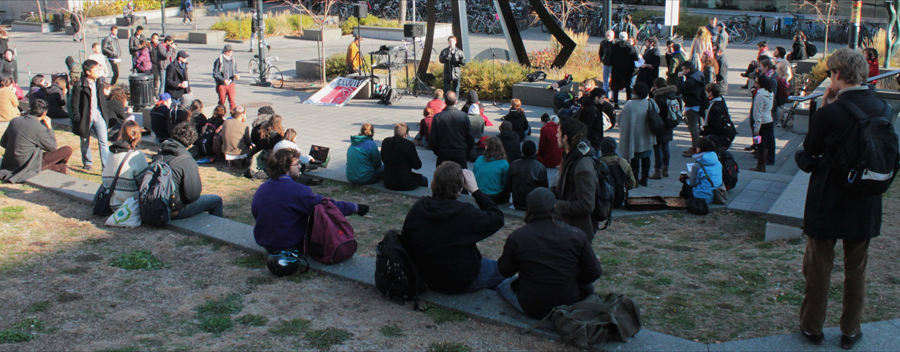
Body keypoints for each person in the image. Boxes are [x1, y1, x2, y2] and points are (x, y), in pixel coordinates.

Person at [795, 48, 881, 350]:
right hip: (866, 198)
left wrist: (822, 107)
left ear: (837, 75)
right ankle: (850, 330)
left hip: (828, 197)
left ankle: (812, 327)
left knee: (819, 268)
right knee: (856, 271)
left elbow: (812, 147)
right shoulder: (883, 108)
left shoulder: (830, 112)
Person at [400, 161, 505, 294]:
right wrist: (475, 191)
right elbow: (497, 218)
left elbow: (406, 242)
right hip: (460, 280)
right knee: (504, 271)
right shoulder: (465, 213)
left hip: (427, 275)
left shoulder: (419, 208)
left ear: (434, 183)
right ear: (460, 188)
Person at [496, 187, 602, 318]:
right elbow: (594, 271)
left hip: (532, 306)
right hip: (569, 302)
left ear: (529, 209)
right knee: (588, 288)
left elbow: (504, 270)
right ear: (555, 206)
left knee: (504, 285)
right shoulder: (576, 235)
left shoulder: (517, 237)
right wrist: (573, 280)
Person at [253, 148, 368, 254]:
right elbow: (326, 206)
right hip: (287, 244)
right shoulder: (297, 190)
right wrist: (354, 207)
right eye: (297, 164)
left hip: (264, 241)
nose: (300, 167)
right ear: (286, 167)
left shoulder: (262, 188)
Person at [160, 122, 224, 219]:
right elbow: (193, 195)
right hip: (173, 209)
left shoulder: (160, 153)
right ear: (191, 142)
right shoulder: (187, 160)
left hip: (157, 203)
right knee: (216, 200)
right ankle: (215, 228)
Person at [0, 99, 73, 183]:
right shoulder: (39, 128)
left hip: (10, 161)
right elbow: (52, 147)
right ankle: (60, 167)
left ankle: (59, 167)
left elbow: (3, 142)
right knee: (67, 150)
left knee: (55, 164)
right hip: (28, 163)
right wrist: (49, 127)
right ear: (44, 113)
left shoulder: (15, 120)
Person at [552, 117, 598, 240]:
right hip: (568, 228)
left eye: (558, 133)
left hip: (577, 233)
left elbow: (586, 205)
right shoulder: (570, 157)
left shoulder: (582, 167)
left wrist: (556, 205)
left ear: (565, 137)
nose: (556, 135)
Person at [71, 60, 111, 171]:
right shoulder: (79, 85)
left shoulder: (99, 82)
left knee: (103, 141)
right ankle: (87, 162)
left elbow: (101, 100)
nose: (99, 71)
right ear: (88, 72)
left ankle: (106, 166)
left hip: (98, 116)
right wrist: (77, 118)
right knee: (85, 141)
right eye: (96, 69)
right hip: (85, 117)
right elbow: (75, 104)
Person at [101, 120, 149, 208]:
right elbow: (144, 184)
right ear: (138, 135)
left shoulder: (111, 153)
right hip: (131, 206)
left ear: (121, 133)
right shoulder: (138, 156)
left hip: (111, 202)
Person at [617, 82, 657, 187]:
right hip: (647, 136)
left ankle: (634, 181)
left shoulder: (630, 105)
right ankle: (645, 179)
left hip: (634, 138)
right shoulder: (650, 102)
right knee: (646, 158)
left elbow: (621, 119)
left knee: (634, 159)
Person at [429, 91, 472, 169]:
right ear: (456, 101)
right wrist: (466, 151)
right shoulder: (463, 116)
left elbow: (432, 138)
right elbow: (469, 136)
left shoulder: (437, 117)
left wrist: (437, 151)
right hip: (460, 153)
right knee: (460, 178)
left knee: (442, 178)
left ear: (445, 101)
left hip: (443, 153)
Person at [381, 123, 427, 191]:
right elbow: (417, 165)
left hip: (388, 181)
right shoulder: (408, 145)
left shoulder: (386, 141)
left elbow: (383, 158)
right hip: (404, 182)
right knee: (424, 179)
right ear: (405, 134)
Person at [678, 137, 722, 204]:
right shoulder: (717, 162)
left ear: (699, 149)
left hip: (702, 196)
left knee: (686, 186)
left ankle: (683, 203)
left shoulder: (698, 165)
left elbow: (693, 183)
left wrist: (685, 180)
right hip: (717, 194)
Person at [507, 140, 548, 210]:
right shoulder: (540, 167)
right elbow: (545, 187)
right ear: (535, 151)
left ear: (522, 151)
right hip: (534, 202)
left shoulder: (514, 165)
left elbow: (508, 186)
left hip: (517, 202)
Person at [649, 78, 677, 179]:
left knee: (657, 148)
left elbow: (655, 112)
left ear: (656, 85)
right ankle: (666, 169)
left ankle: (658, 170)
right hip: (669, 125)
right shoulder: (672, 95)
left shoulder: (659, 98)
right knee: (666, 147)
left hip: (660, 126)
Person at [678, 62, 706, 157]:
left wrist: (680, 78)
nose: (682, 71)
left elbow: (680, 89)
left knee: (692, 128)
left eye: (683, 69)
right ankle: (696, 146)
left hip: (692, 105)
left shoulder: (691, 81)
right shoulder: (697, 76)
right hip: (697, 104)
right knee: (694, 127)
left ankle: (695, 148)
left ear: (688, 69)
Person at [474, 136, 511, 205]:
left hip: (479, 195)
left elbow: (475, 175)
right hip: (495, 196)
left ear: (486, 147)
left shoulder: (479, 159)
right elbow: (505, 183)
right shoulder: (504, 163)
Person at [750, 75, 775, 172]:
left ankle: (760, 166)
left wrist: (756, 130)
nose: (755, 84)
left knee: (761, 145)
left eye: (756, 82)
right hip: (769, 120)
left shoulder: (759, 95)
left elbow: (758, 113)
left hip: (762, 122)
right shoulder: (770, 92)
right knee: (769, 142)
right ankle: (766, 161)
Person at [700, 83, 735, 150]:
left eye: (707, 92)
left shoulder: (714, 108)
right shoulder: (721, 100)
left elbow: (716, 126)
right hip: (724, 132)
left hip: (717, 136)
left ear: (711, 93)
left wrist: (704, 132)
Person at [609, 32, 638, 109]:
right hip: (627, 70)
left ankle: (616, 103)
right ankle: (628, 102)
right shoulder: (630, 47)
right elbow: (635, 58)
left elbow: (610, 58)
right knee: (628, 86)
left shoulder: (614, 46)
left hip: (616, 69)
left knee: (616, 87)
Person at [213, 44, 239, 111]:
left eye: (231, 52)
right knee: (221, 102)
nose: (229, 54)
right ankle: (220, 115)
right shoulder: (219, 60)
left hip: (231, 84)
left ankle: (233, 115)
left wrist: (236, 75)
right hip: (222, 85)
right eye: (228, 52)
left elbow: (235, 70)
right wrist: (223, 80)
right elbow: (215, 74)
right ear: (224, 51)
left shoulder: (232, 60)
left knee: (232, 101)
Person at [599, 30, 616, 96]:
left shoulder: (615, 43)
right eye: (607, 35)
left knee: (613, 80)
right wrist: (601, 60)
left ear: (613, 36)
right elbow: (601, 52)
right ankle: (605, 94)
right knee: (605, 80)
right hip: (605, 63)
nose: (608, 37)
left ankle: (613, 95)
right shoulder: (603, 43)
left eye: (609, 36)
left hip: (613, 64)